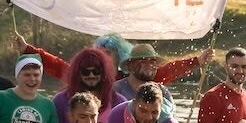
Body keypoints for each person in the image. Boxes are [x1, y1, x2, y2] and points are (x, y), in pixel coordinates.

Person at [13, 31, 213, 89]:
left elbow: (165, 71)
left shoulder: (135, 76)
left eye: (108, 52)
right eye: (99, 51)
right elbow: (58, 66)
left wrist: (196, 61)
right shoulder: (88, 76)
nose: (102, 56)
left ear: (120, 54)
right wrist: (27, 49)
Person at [51, 47, 123, 123]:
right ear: (78, 73)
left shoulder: (118, 102)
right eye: (86, 72)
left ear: (104, 73)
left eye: (96, 71)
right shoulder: (61, 101)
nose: (91, 75)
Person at [114, 44, 179, 102]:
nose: (149, 65)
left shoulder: (163, 92)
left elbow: (170, 114)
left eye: (152, 61)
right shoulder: (115, 89)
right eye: (143, 61)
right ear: (130, 65)